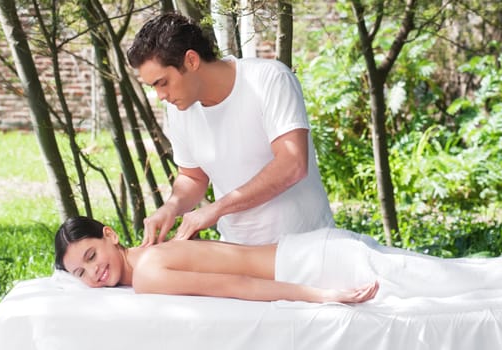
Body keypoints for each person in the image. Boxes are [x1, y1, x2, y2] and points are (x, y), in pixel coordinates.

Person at [126, 13, 335, 246]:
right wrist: (171, 207)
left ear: (191, 61)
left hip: (307, 247)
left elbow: (292, 165)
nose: (161, 96)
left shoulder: (268, 79)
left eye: (162, 82)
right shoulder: (179, 110)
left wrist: (217, 209)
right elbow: (193, 176)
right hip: (237, 253)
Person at [54, 216, 378, 304]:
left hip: (312, 267)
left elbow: (235, 285)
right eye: (81, 272)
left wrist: (322, 295)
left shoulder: (148, 275)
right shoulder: (153, 252)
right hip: (305, 251)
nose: (94, 271)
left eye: (92, 255)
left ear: (110, 235)